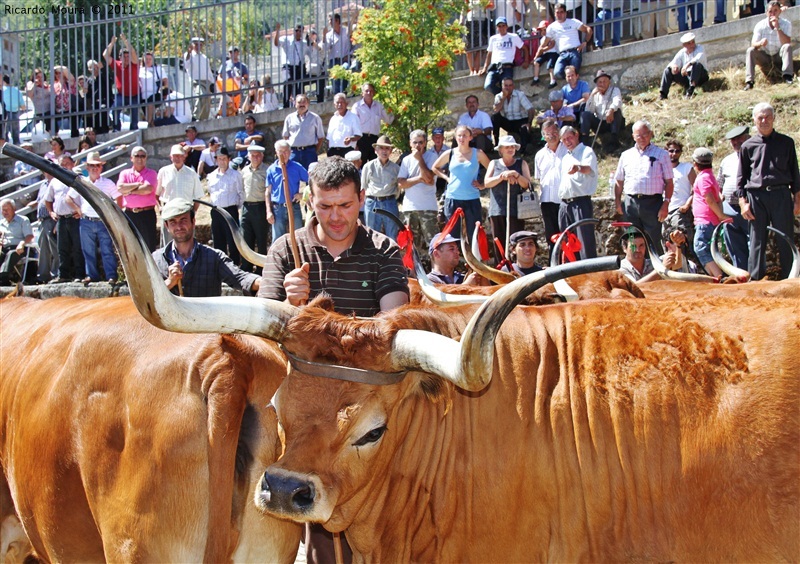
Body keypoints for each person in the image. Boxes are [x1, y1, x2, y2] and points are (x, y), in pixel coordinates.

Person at [258, 156, 409, 313]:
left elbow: (393, 323)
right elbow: (261, 323)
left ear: (361, 198)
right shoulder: (285, 249)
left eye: (345, 205)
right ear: (311, 201)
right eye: (325, 206)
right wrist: (289, 303)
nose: (335, 217)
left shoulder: (385, 250)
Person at [737, 102, 800, 280]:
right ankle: (755, 281)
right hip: (757, 197)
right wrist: (743, 203)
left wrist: (797, 199)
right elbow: (741, 178)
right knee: (757, 240)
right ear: (754, 120)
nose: (764, 120)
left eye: (767, 117)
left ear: (773, 118)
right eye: (760, 117)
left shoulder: (787, 142)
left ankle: (791, 279)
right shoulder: (747, 146)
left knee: (786, 238)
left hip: (781, 194)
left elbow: (795, 172)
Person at [154, 198, 261, 297]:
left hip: (206, 317)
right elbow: (145, 296)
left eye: (183, 220)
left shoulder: (213, 257)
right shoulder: (156, 260)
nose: (178, 227)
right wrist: (169, 282)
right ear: (167, 226)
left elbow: (240, 278)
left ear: (193, 221)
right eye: (173, 222)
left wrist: (267, 282)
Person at [614, 120, 674, 255]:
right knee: (632, 238)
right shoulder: (626, 155)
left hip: (653, 203)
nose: (642, 138)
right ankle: (636, 267)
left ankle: (657, 268)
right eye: (638, 135)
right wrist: (618, 201)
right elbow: (619, 181)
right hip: (631, 203)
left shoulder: (661, 154)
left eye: (645, 134)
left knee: (654, 238)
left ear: (651, 134)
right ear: (633, 136)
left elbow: (669, 182)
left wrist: (666, 203)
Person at [65, 152, 121, 284]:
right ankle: (92, 276)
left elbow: (119, 198)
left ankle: (111, 276)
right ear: (87, 168)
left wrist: (114, 215)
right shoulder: (82, 182)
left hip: (103, 221)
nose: (94, 168)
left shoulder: (107, 183)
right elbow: (68, 198)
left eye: (97, 165)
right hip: (86, 221)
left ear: (101, 167)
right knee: (88, 250)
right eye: (91, 166)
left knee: (107, 250)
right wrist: (79, 210)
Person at [432, 125, 491, 241]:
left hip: (472, 199)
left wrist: (483, 185)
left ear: (470, 137)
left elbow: (492, 169)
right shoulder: (450, 153)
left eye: (465, 135)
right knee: (452, 236)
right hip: (453, 198)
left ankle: (471, 259)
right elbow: (435, 167)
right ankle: (455, 259)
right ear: (455, 137)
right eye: (459, 135)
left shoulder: (478, 153)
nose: (462, 138)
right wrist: (447, 178)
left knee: (473, 236)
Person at [484, 135, 531, 262]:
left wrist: (516, 175)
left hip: (516, 210)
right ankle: (501, 269)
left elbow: (527, 184)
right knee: (499, 242)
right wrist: (501, 177)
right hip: (497, 210)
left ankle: (516, 269)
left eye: (512, 147)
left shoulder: (522, 164)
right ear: (501, 150)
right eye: (507, 147)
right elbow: (487, 183)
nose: (510, 149)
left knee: (516, 243)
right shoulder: (494, 164)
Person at [398, 130, 439, 261]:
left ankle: (436, 272)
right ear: (410, 143)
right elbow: (401, 183)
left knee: (433, 243)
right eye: (415, 142)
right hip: (410, 207)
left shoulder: (432, 157)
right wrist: (419, 179)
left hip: (428, 207)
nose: (417, 146)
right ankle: (413, 273)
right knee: (411, 244)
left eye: (420, 142)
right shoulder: (406, 160)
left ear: (425, 143)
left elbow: (429, 179)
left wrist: (420, 159)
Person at [557, 125, 597, 259]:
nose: (567, 142)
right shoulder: (565, 157)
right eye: (563, 140)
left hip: (580, 202)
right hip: (564, 204)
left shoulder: (586, 151)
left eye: (569, 137)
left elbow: (588, 169)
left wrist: (578, 167)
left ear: (576, 135)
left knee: (585, 241)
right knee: (567, 242)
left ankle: (589, 272)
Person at [689, 147, 730, 278]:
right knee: (707, 250)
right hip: (708, 220)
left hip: (705, 220)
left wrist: (721, 216)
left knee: (700, 248)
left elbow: (709, 199)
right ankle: (716, 277)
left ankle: (719, 277)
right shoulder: (709, 175)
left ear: (695, 164)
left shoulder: (703, 178)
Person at [45, 154, 83, 283]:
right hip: (61, 218)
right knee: (62, 249)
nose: (65, 166)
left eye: (67, 163)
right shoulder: (54, 181)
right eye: (62, 164)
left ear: (73, 164)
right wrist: (51, 212)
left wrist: (81, 211)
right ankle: (63, 275)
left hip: (75, 217)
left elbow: (85, 198)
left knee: (78, 247)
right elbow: (47, 200)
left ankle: (80, 274)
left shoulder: (78, 178)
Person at [716, 125, 750, 269]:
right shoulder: (726, 161)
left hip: (749, 208)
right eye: (733, 140)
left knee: (753, 244)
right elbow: (719, 185)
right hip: (729, 208)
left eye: (739, 139)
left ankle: (755, 277)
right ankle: (742, 276)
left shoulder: (754, 156)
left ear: (747, 137)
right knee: (734, 246)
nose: (736, 142)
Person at [117, 146, 160, 253]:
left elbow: (148, 189)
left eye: (143, 156)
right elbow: (120, 188)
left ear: (146, 158)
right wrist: (137, 185)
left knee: (149, 247)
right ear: (131, 158)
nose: (140, 158)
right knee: (132, 247)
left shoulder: (152, 173)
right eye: (137, 156)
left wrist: (129, 191)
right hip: (130, 214)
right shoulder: (124, 173)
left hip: (147, 214)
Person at [535, 119, 567, 256]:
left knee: (567, 235)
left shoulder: (568, 150)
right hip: (547, 201)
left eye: (555, 132)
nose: (552, 135)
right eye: (548, 133)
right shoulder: (539, 155)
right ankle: (554, 265)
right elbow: (538, 178)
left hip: (564, 200)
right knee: (551, 236)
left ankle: (569, 265)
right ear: (543, 135)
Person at [206, 147, 244, 264]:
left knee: (233, 241)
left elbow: (241, 194)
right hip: (216, 211)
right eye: (219, 159)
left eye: (224, 159)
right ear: (216, 160)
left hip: (230, 210)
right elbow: (210, 193)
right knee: (218, 241)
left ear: (228, 159)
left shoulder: (236, 175)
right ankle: (220, 267)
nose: (222, 161)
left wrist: (236, 209)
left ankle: (235, 266)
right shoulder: (211, 176)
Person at [744, 0, 794, 90]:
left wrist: (777, 27)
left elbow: (787, 42)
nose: (773, 14)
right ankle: (749, 81)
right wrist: (760, 43)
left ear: (779, 11)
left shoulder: (786, 24)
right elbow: (753, 43)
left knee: (787, 47)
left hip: (779, 55)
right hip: (765, 56)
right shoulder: (760, 25)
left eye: (775, 10)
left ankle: (787, 76)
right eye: (770, 11)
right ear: (766, 13)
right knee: (750, 51)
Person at [539, 3, 592, 82]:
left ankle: (573, 82)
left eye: (561, 12)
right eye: (557, 12)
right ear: (554, 14)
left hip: (575, 51)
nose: (559, 14)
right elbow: (544, 44)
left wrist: (585, 42)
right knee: (557, 73)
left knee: (573, 73)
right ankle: (571, 81)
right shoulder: (551, 27)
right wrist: (536, 57)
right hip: (562, 54)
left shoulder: (573, 22)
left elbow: (588, 30)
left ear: (565, 13)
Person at [362, 135, 401, 240]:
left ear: (391, 151)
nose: (384, 151)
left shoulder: (396, 168)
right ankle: (372, 256)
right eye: (381, 148)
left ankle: (391, 256)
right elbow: (363, 185)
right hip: (372, 202)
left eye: (387, 148)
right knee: (371, 235)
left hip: (390, 202)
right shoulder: (368, 166)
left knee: (392, 235)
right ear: (376, 150)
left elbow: (399, 187)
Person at [267, 140, 307, 241]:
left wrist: (302, 194)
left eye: (286, 151)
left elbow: (313, 181)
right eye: (281, 151)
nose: (283, 154)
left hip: (294, 207)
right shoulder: (271, 170)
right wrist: (268, 211)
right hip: (277, 209)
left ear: (290, 152)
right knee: (277, 239)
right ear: (276, 152)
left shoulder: (297, 167)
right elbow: (268, 192)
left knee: (298, 237)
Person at [240, 143, 270, 272]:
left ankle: (260, 268)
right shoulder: (244, 171)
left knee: (261, 239)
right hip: (246, 207)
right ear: (249, 157)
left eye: (258, 155)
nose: (256, 158)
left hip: (260, 207)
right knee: (246, 240)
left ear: (262, 156)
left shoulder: (267, 170)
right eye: (253, 155)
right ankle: (246, 268)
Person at [661, 139, 696, 246]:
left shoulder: (686, 168)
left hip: (680, 210)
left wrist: (687, 205)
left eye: (677, 151)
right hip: (664, 210)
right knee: (665, 241)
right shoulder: (660, 169)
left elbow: (697, 189)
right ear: (666, 151)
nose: (674, 154)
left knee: (681, 240)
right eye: (671, 151)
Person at [480, 16, 526, 95]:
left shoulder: (513, 37)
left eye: (503, 25)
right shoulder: (493, 39)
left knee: (507, 87)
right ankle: (501, 96)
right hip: (494, 67)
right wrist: (485, 68)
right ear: (497, 28)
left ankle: (506, 98)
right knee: (488, 85)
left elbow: (524, 48)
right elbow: (489, 53)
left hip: (507, 67)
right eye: (499, 26)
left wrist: (526, 61)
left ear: (507, 26)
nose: (501, 28)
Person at [103, 34, 139, 132]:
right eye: (124, 56)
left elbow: (133, 52)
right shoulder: (116, 64)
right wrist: (112, 43)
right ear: (120, 57)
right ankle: (116, 128)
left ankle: (134, 130)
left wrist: (125, 41)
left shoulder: (134, 64)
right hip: (121, 94)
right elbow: (105, 55)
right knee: (114, 111)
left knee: (135, 115)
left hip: (134, 94)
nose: (127, 58)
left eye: (128, 56)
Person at [580, 69, 623, 149]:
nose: (602, 84)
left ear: (609, 82)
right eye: (600, 82)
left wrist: (611, 109)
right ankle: (585, 141)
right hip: (600, 122)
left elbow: (618, 101)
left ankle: (614, 140)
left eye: (605, 81)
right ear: (597, 84)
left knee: (617, 112)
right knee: (585, 114)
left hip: (611, 121)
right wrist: (591, 96)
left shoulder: (614, 90)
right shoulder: (595, 94)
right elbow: (589, 110)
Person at [659, 32, 708, 100]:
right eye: (689, 43)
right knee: (667, 71)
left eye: (693, 42)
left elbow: (698, 58)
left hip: (701, 75)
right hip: (687, 77)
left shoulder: (700, 48)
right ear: (684, 45)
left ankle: (691, 91)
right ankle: (663, 95)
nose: (692, 45)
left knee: (696, 65)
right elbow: (672, 63)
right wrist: (674, 67)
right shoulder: (682, 52)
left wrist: (686, 66)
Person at [282, 94, 324, 171]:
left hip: (309, 152)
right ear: (295, 104)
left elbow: (320, 137)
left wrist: (314, 150)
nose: (302, 104)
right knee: (292, 176)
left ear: (308, 103)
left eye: (304, 102)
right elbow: (286, 136)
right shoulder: (289, 118)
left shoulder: (315, 118)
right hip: (294, 153)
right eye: (299, 102)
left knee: (311, 177)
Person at [491, 78, 535, 152]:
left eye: (510, 85)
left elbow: (530, 109)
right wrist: (504, 97)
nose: (508, 88)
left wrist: (529, 123)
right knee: (495, 117)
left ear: (513, 86)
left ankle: (524, 149)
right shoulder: (498, 96)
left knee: (524, 129)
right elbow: (496, 110)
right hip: (507, 121)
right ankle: (496, 143)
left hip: (520, 120)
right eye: (506, 86)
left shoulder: (520, 95)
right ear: (502, 86)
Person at [353, 83, 394, 163]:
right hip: (361, 140)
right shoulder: (357, 106)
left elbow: (389, 120)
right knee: (362, 165)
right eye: (366, 91)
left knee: (376, 164)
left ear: (374, 93)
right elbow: (353, 126)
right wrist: (355, 144)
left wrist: (396, 113)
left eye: (371, 91)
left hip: (374, 140)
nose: (369, 93)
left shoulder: (379, 106)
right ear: (362, 93)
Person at [156, 144, 203, 212]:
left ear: (184, 157)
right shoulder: (163, 172)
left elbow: (198, 195)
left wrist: (193, 212)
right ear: (171, 157)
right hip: (169, 209)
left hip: (186, 209)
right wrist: (160, 208)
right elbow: (157, 194)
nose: (177, 158)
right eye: (175, 155)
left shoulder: (191, 173)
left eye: (180, 155)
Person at [273, 23, 308, 108]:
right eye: (296, 30)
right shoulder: (287, 39)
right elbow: (276, 43)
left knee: (298, 87)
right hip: (288, 66)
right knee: (287, 81)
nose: (298, 32)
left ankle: (297, 105)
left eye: (300, 31)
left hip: (298, 67)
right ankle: (286, 105)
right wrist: (277, 31)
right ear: (293, 31)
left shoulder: (304, 43)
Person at [0, 199, 34, 286]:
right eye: (3, 210)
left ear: (14, 209)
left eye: (7, 209)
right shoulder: (1, 223)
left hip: (20, 248)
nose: (5, 212)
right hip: (4, 247)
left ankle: (3, 278)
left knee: (11, 254)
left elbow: (29, 236)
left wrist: (22, 243)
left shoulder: (23, 220)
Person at [183, 37, 215, 121]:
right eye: (196, 44)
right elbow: (186, 66)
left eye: (200, 45)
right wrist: (189, 53)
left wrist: (212, 83)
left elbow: (208, 71)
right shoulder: (189, 55)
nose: (198, 46)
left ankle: (203, 119)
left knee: (207, 100)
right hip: (196, 81)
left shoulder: (204, 57)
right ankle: (195, 116)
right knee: (201, 95)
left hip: (206, 81)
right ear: (192, 45)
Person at [326, 92, 362, 158]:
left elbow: (358, 135)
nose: (340, 104)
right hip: (333, 152)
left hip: (347, 151)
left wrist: (350, 139)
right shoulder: (333, 118)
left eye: (342, 102)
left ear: (346, 103)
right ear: (334, 105)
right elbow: (329, 138)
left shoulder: (353, 117)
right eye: (337, 103)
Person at [324, 13, 352, 96]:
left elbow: (353, 44)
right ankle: (337, 96)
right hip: (334, 60)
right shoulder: (329, 35)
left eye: (331, 20)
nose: (329, 22)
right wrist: (323, 38)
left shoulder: (346, 31)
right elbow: (326, 48)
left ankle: (344, 93)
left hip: (345, 59)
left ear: (337, 21)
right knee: (335, 80)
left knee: (345, 71)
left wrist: (349, 55)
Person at [463, 0, 492, 76]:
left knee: (481, 45)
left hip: (481, 20)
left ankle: (476, 69)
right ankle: (471, 70)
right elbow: (464, 7)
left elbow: (491, 6)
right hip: (469, 20)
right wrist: (461, 20)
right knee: (468, 46)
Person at [85, 60, 111, 134]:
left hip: (105, 100)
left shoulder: (103, 76)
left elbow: (108, 80)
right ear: (89, 69)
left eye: (95, 67)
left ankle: (105, 130)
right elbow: (89, 95)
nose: (93, 69)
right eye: (91, 68)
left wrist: (102, 69)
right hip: (95, 103)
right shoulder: (89, 80)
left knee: (102, 111)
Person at [139, 52, 164, 127]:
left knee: (150, 102)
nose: (148, 60)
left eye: (150, 59)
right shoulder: (140, 70)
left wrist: (163, 89)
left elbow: (165, 80)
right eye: (146, 59)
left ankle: (149, 123)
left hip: (155, 94)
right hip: (142, 96)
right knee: (146, 113)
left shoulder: (157, 69)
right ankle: (151, 124)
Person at [26, 68, 54, 135]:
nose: (40, 79)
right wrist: (35, 84)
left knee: (51, 132)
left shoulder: (46, 85)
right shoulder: (31, 84)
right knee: (38, 133)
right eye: (38, 77)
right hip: (39, 113)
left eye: (42, 77)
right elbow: (29, 94)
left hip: (49, 112)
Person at [531, 20, 559, 88]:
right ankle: (536, 78)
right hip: (546, 54)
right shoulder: (542, 39)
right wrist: (536, 56)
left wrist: (543, 49)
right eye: (541, 30)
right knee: (537, 62)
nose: (543, 32)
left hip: (553, 53)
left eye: (544, 30)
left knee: (550, 65)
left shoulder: (552, 36)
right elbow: (541, 49)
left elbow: (552, 45)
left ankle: (553, 80)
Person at [2, 75, 26, 144]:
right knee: (15, 135)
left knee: (4, 135)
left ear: (3, 81)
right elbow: (23, 107)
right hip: (15, 114)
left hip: (5, 114)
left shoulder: (2, 90)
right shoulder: (17, 91)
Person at [305, 30, 326, 105]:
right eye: (309, 35)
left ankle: (320, 102)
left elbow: (321, 50)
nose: (311, 36)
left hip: (319, 70)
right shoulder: (307, 47)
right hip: (310, 70)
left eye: (313, 34)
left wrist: (313, 42)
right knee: (301, 82)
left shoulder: (320, 43)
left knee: (320, 85)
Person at [427, 127, 449, 198]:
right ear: (433, 139)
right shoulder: (429, 152)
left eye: (440, 137)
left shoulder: (449, 151)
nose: (438, 139)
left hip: (445, 177)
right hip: (433, 177)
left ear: (443, 138)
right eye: (436, 137)